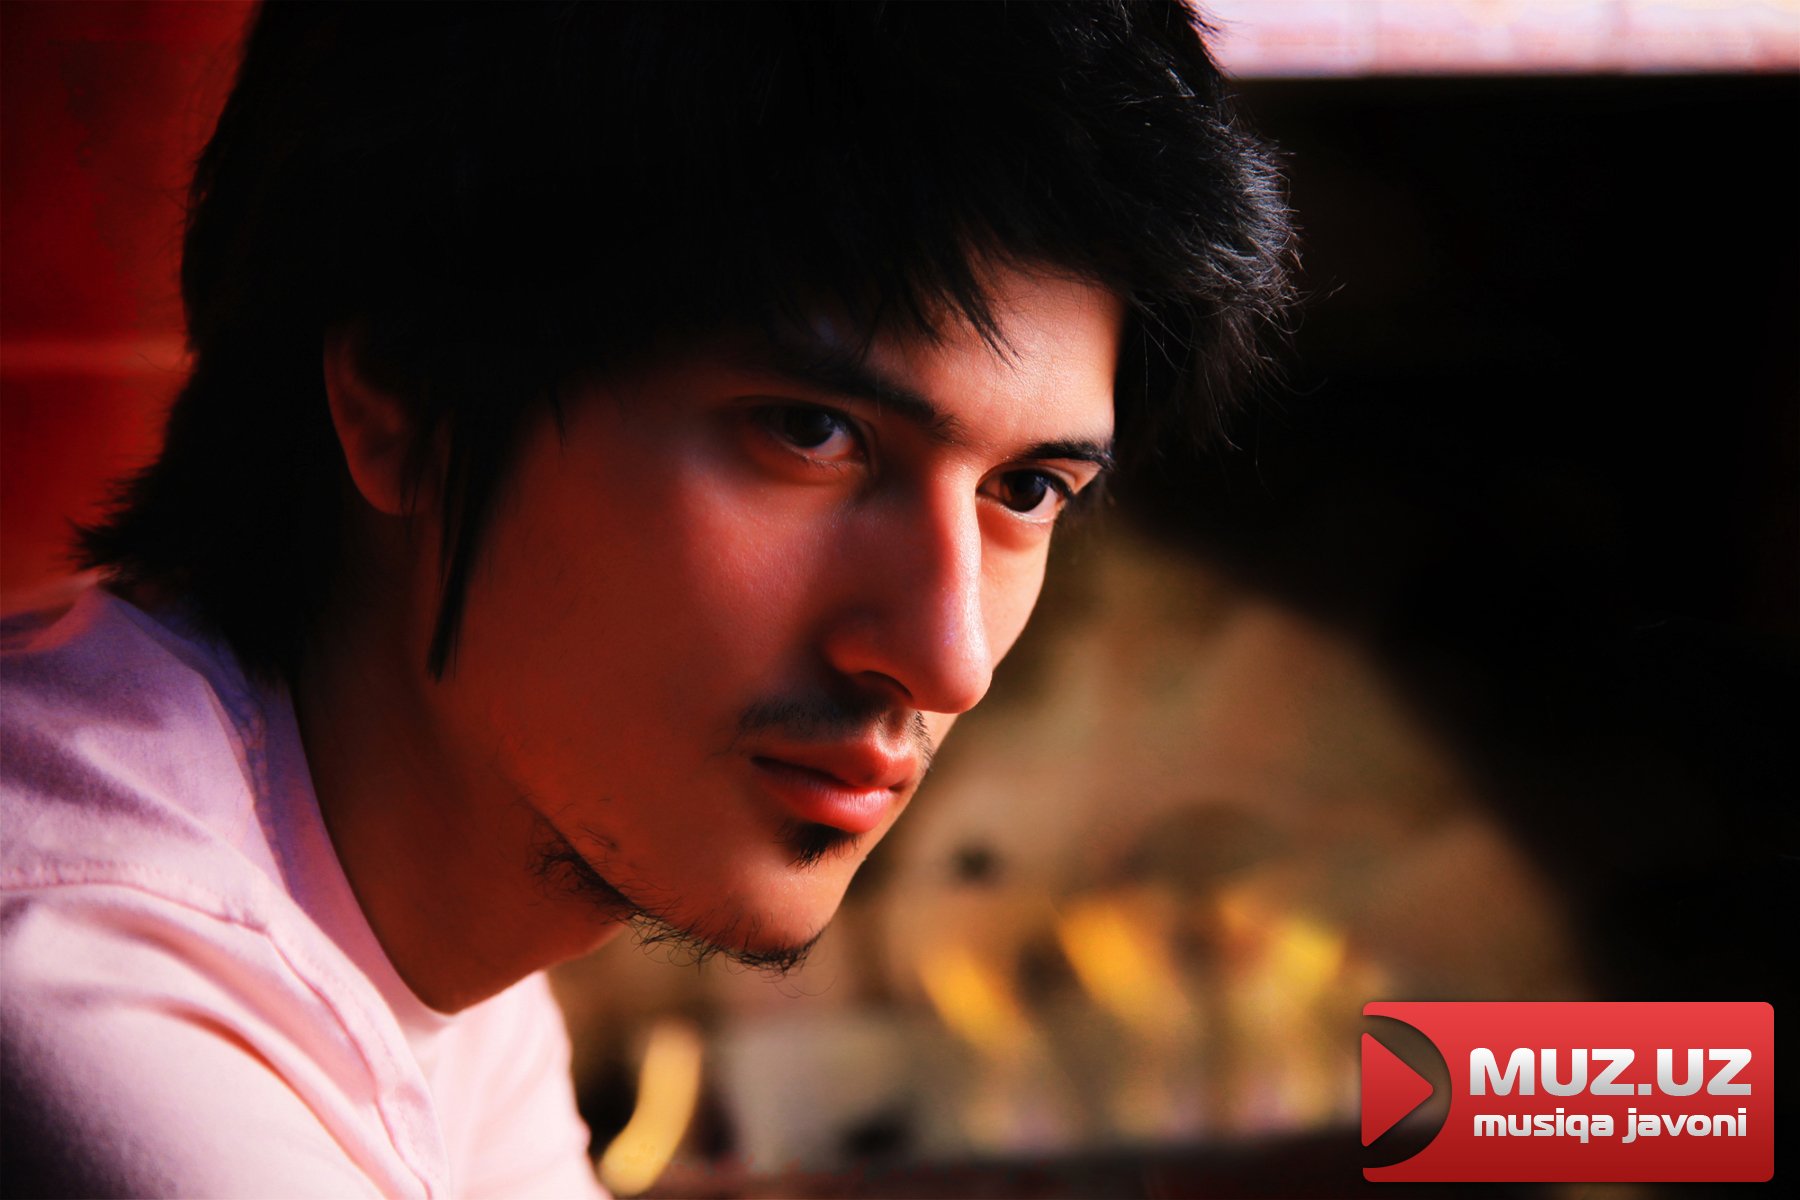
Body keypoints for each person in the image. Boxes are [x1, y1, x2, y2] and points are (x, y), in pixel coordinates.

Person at [1, 3, 1293, 1195]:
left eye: (1026, 489)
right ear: (405, 395)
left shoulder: (420, 914)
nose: (949, 658)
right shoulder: (96, 1004)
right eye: (810, 432)